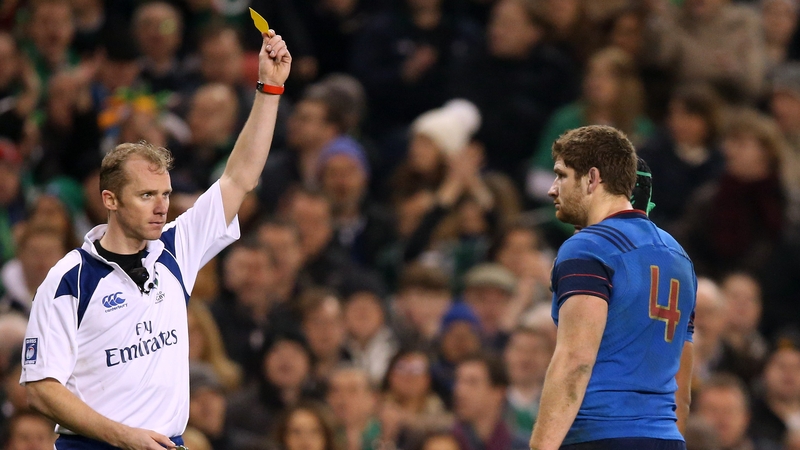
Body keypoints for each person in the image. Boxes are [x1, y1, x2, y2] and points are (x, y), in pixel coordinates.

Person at [18, 28, 291, 450]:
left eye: (164, 194)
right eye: (146, 196)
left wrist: (270, 87)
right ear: (109, 199)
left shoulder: (175, 249)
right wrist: (124, 437)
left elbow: (240, 177)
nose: (161, 206)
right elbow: (40, 388)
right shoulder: (67, 279)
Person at [529, 125, 696, 449]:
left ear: (592, 179)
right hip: (665, 438)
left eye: (561, 175)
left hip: (599, 435)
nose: (552, 189)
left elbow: (575, 358)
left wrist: (540, 446)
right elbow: (682, 387)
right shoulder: (679, 257)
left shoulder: (588, 247)